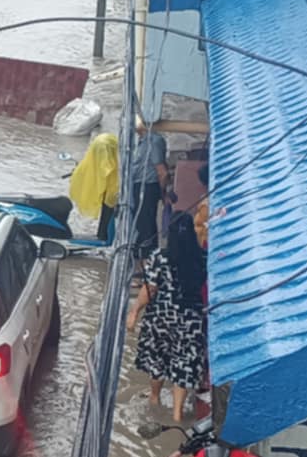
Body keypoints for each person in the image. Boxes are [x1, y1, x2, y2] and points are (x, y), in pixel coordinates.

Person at [127, 214, 207, 423]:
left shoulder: (160, 257)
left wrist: (134, 312)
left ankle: (155, 400)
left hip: (161, 320)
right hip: (191, 321)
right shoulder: (202, 258)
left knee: (157, 361)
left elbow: (150, 288)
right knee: (182, 366)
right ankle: (177, 414)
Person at [68, 132, 120, 240]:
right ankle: (102, 235)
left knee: (108, 213)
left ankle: (104, 236)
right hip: (111, 192)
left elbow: (104, 171)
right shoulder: (113, 159)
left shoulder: (110, 162)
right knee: (107, 212)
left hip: (112, 192)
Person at [129, 123, 170, 256]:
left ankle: (146, 255)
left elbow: (162, 171)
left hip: (147, 187)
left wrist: (162, 192)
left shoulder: (153, 141)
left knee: (145, 223)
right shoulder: (141, 141)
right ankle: (143, 252)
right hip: (139, 185)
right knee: (141, 221)